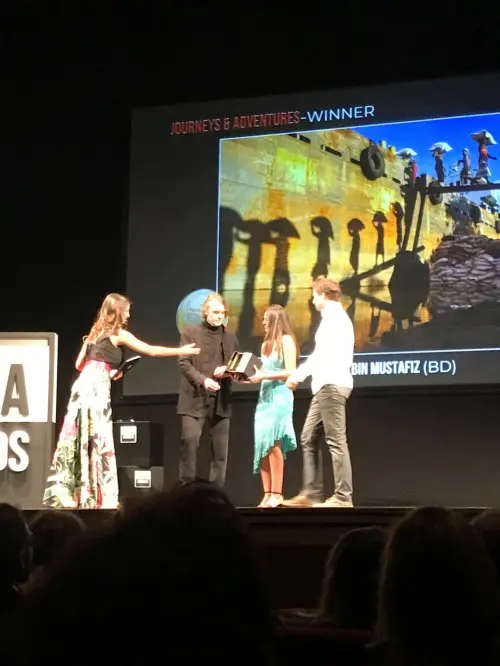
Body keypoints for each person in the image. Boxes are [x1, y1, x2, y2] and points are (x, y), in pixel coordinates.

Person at [43, 293, 200, 510]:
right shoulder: (118, 334)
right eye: (126, 311)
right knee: (97, 437)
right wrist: (181, 351)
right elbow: (151, 350)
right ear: (117, 312)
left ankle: (73, 492)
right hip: (96, 389)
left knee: (77, 438)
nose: (128, 315)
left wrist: (108, 369)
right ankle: (96, 495)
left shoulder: (94, 333)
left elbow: (80, 365)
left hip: (81, 387)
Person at [283, 277, 354, 508]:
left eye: (314, 295)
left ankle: (343, 497)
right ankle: (311, 494)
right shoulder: (333, 318)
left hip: (331, 384)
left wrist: (297, 376)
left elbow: (320, 356)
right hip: (325, 385)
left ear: (323, 295)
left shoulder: (334, 319)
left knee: (336, 441)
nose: (312, 300)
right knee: (308, 436)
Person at [177, 292, 239, 487]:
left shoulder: (230, 337)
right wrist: (203, 380)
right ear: (205, 312)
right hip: (194, 398)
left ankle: (215, 493)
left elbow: (237, 366)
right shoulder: (190, 332)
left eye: (222, 313)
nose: (219, 316)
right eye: (215, 312)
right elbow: (184, 363)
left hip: (220, 400)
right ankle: (187, 490)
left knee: (220, 452)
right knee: (190, 443)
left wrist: (227, 371)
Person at [247, 305, 297, 508]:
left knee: (274, 444)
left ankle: (277, 493)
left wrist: (264, 376)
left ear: (275, 320)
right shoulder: (266, 345)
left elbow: (291, 371)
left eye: (266, 319)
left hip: (280, 397)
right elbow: (261, 372)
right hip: (265, 397)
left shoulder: (287, 340)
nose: (263, 322)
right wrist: (247, 377)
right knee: (262, 445)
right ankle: (267, 493)